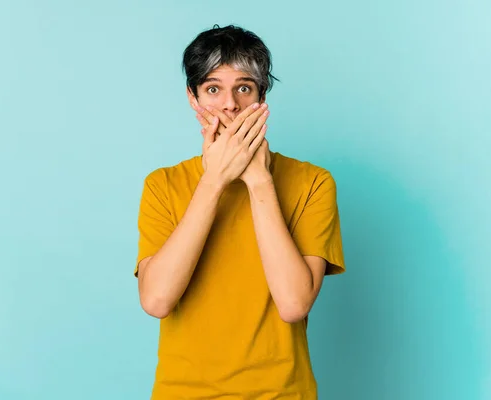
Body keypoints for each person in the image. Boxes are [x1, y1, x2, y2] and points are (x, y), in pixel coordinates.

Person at [134, 24, 345, 399]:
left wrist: (259, 180)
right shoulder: (162, 185)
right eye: (213, 89)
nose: (230, 104)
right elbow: (156, 300)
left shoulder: (312, 182)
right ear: (193, 98)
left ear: (262, 97)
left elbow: (294, 304)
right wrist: (214, 181)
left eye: (243, 88)